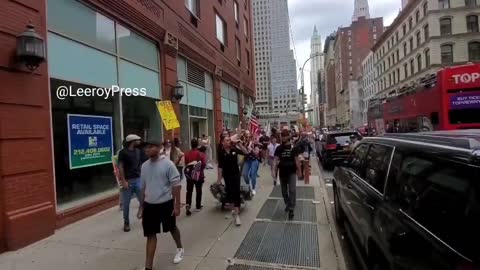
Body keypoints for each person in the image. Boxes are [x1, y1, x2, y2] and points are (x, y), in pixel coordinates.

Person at [137, 140, 184, 270]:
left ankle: (180, 248)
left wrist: (177, 205)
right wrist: (141, 206)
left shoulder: (168, 164)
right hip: (149, 206)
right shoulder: (144, 166)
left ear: (159, 148)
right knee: (150, 235)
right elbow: (143, 187)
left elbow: (176, 185)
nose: (147, 149)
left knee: (172, 228)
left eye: (151, 146)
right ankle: (148, 267)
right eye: (146, 147)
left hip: (165, 204)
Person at [117, 134, 148, 232]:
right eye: (137, 140)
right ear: (132, 141)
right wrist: (123, 180)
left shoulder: (139, 152)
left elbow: (146, 161)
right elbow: (120, 167)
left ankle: (144, 216)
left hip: (138, 179)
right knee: (126, 204)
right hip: (128, 181)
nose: (139, 141)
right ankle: (126, 222)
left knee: (143, 200)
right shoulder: (123, 152)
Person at [217, 135, 248, 226]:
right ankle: (234, 210)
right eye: (227, 140)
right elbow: (220, 166)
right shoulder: (221, 152)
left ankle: (237, 214)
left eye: (230, 140)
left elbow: (246, 153)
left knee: (236, 193)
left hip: (236, 175)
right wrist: (219, 179)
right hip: (227, 176)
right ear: (223, 142)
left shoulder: (234, 150)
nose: (229, 141)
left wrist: (239, 144)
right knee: (229, 194)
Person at [273, 129, 300, 220]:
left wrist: (299, 171)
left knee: (292, 190)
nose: (283, 137)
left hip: (291, 172)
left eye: (284, 136)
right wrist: (273, 171)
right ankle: (288, 203)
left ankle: (292, 208)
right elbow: (275, 160)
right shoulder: (279, 148)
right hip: (282, 173)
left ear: (288, 136)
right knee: (284, 192)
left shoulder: (293, 147)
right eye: (282, 135)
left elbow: (297, 160)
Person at [184, 138, 206, 216]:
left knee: (189, 191)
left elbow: (186, 164)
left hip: (189, 175)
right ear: (197, 145)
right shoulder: (200, 154)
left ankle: (188, 205)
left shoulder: (186, 153)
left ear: (191, 144)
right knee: (198, 190)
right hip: (198, 175)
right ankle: (198, 206)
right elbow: (203, 164)